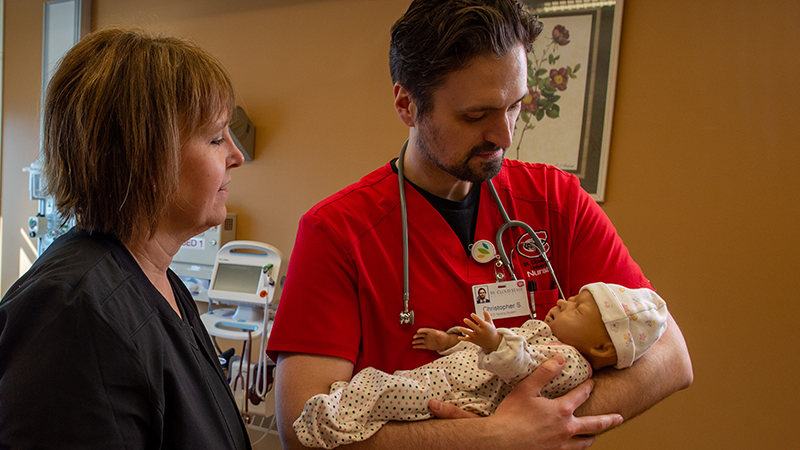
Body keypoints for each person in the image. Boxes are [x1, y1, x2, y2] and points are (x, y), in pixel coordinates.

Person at [267, 1, 693, 448]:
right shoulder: (336, 233)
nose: (505, 136)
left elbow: (671, 357)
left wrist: (543, 425)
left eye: (515, 106)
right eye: (475, 116)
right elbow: (301, 429)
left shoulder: (556, 200)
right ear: (407, 105)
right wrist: (489, 438)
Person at [0, 27, 251, 449]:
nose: (236, 156)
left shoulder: (155, 280)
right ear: (145, 155)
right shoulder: (73, 313)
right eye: (214, 137)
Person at [293, 283, 668, 448]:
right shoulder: (541, 328)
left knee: (388, 389)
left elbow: (523, 368)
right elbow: (494, 341)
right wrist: (451, 341)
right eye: (571, 298)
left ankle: (331, 421)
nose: (565, 303)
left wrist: (492, 341)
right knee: (391, 383)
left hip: (462, 395)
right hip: (445, 376)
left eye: (578, 309)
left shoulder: (572, 364)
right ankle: (343, 406)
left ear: (602, 346)